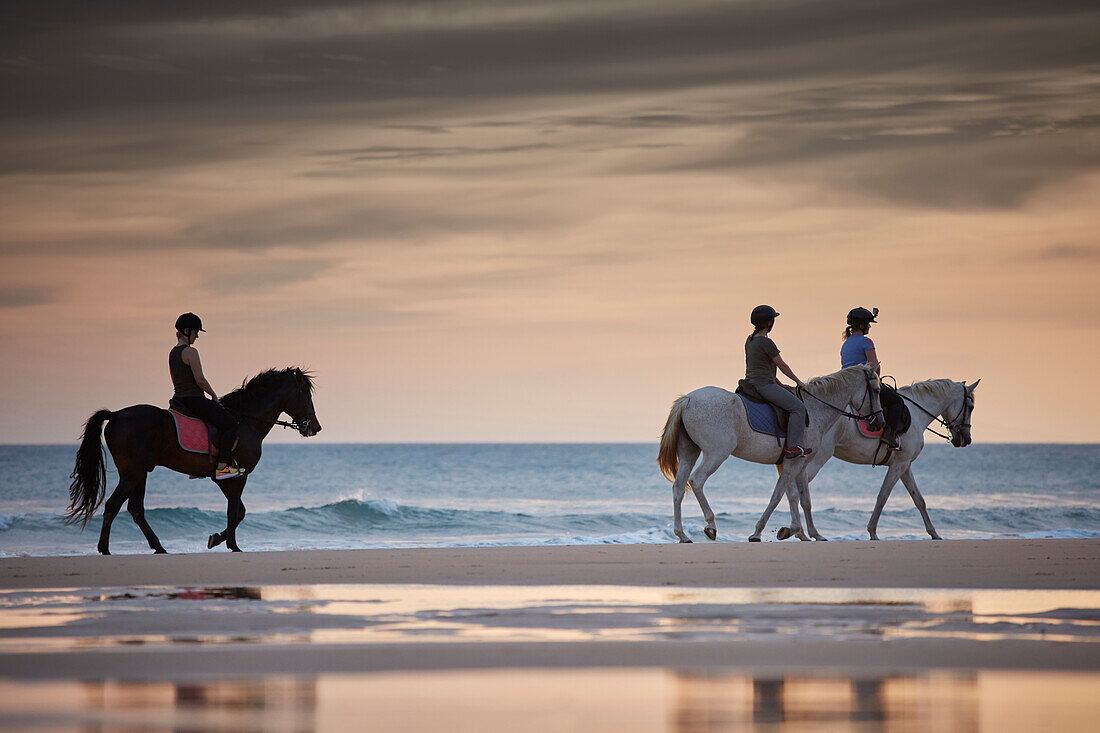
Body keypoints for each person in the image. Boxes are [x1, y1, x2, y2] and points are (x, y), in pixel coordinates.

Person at [170, 313, 246, 480]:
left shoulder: (172, 353)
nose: (197, 336)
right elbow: (200, 380)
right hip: (194, 399)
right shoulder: (190, 352)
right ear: (186, 330)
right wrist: (213, 395)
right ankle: (222, 468)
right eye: (196, 332)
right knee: (231, 425)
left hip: (179, 400)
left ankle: (195, 467)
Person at [745, 305, 812, 459]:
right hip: (764, 385)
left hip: (752, 382)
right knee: (798, 408)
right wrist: (799, 382)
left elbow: (762, 367)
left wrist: (781, 385)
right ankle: (793, 446)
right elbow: (782, 365)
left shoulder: (750, 340)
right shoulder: (766, 342)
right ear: (769, 323)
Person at [841, 306, 903, 450]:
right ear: (862, 325)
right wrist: (878, 382)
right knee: (897, 402)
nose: (869, 326)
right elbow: (875, 367)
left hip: (847, 384)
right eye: (868, 324)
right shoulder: (866, 342)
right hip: (862, 384)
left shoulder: (846, 343)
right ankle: (890, 435)